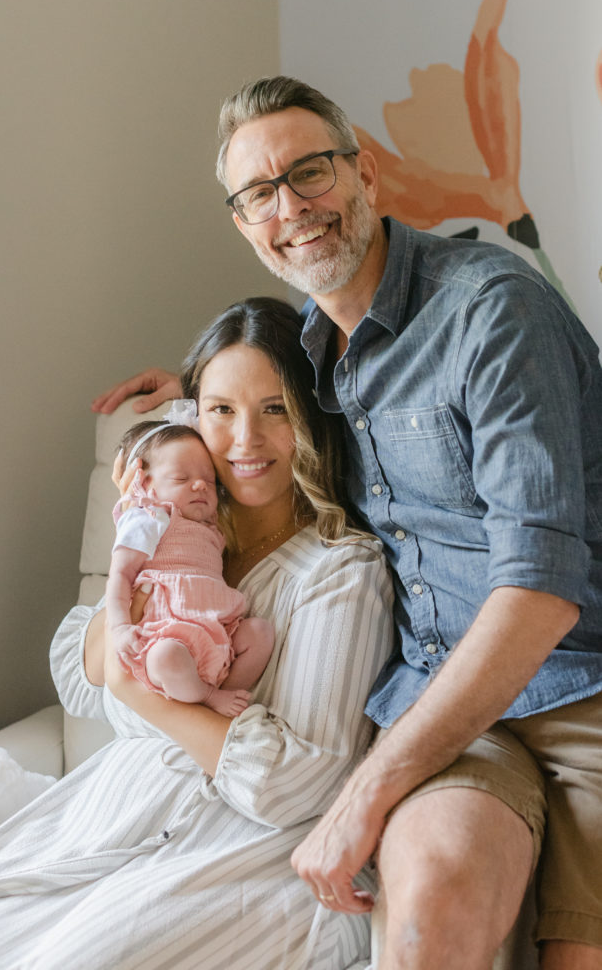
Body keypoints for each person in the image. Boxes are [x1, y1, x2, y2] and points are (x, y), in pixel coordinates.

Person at [92, 76, 602, 970]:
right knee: (423, 918)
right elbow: (250, 401)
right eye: (259, 194)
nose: (291, 207)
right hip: (447, 708)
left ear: (364, 173)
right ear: (244, 225)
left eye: (310, 172)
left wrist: (367, 790)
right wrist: (185, 403)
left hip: (579, 687)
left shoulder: (492, 312)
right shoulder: (313, 353)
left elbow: (541, 587)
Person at [0, 297, 394, 970]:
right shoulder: (183, 541)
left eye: (276, 410)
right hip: (108, 817)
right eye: (221, 412)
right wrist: (134, 533)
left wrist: (144, 696)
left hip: (240, 855)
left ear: (312, 417)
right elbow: (77, 678)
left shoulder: (341, 572)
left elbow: (296, 785)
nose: (245, 442)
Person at [106, 416, 274, 716]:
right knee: (166, 658)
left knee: (260, 633)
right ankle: (208, 697)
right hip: (166, 634)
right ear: (145, 484)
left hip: (218, 630)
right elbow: (120, 574)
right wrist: (119, 628)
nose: (200, 486)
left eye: (210, 481)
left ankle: (225, 691)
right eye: (181, 479)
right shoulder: (149, 517)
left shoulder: (212, 529)